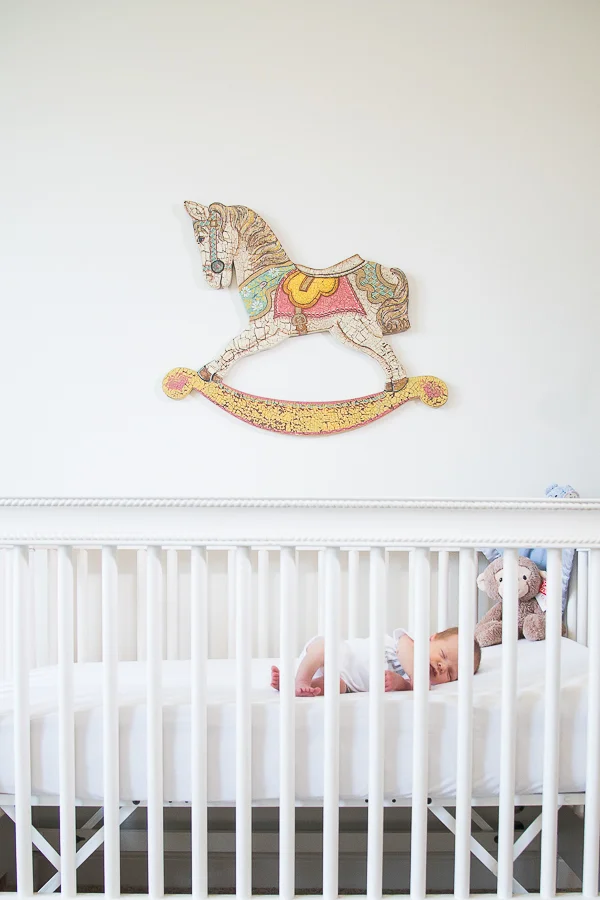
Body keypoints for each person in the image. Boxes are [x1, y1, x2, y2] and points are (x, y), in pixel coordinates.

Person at [270, 626, 481, 696]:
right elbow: (405, 652)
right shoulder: (409, 643)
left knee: (333, 686)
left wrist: (402, 683)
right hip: (339, 653)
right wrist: (418, 676)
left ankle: (295, 687)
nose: (442, 667)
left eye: (450, 673)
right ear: (431, 639)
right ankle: (301, 679)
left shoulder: (412, 682)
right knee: (324, 647)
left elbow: (402, 685)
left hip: (349, 683)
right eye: (442, 655)